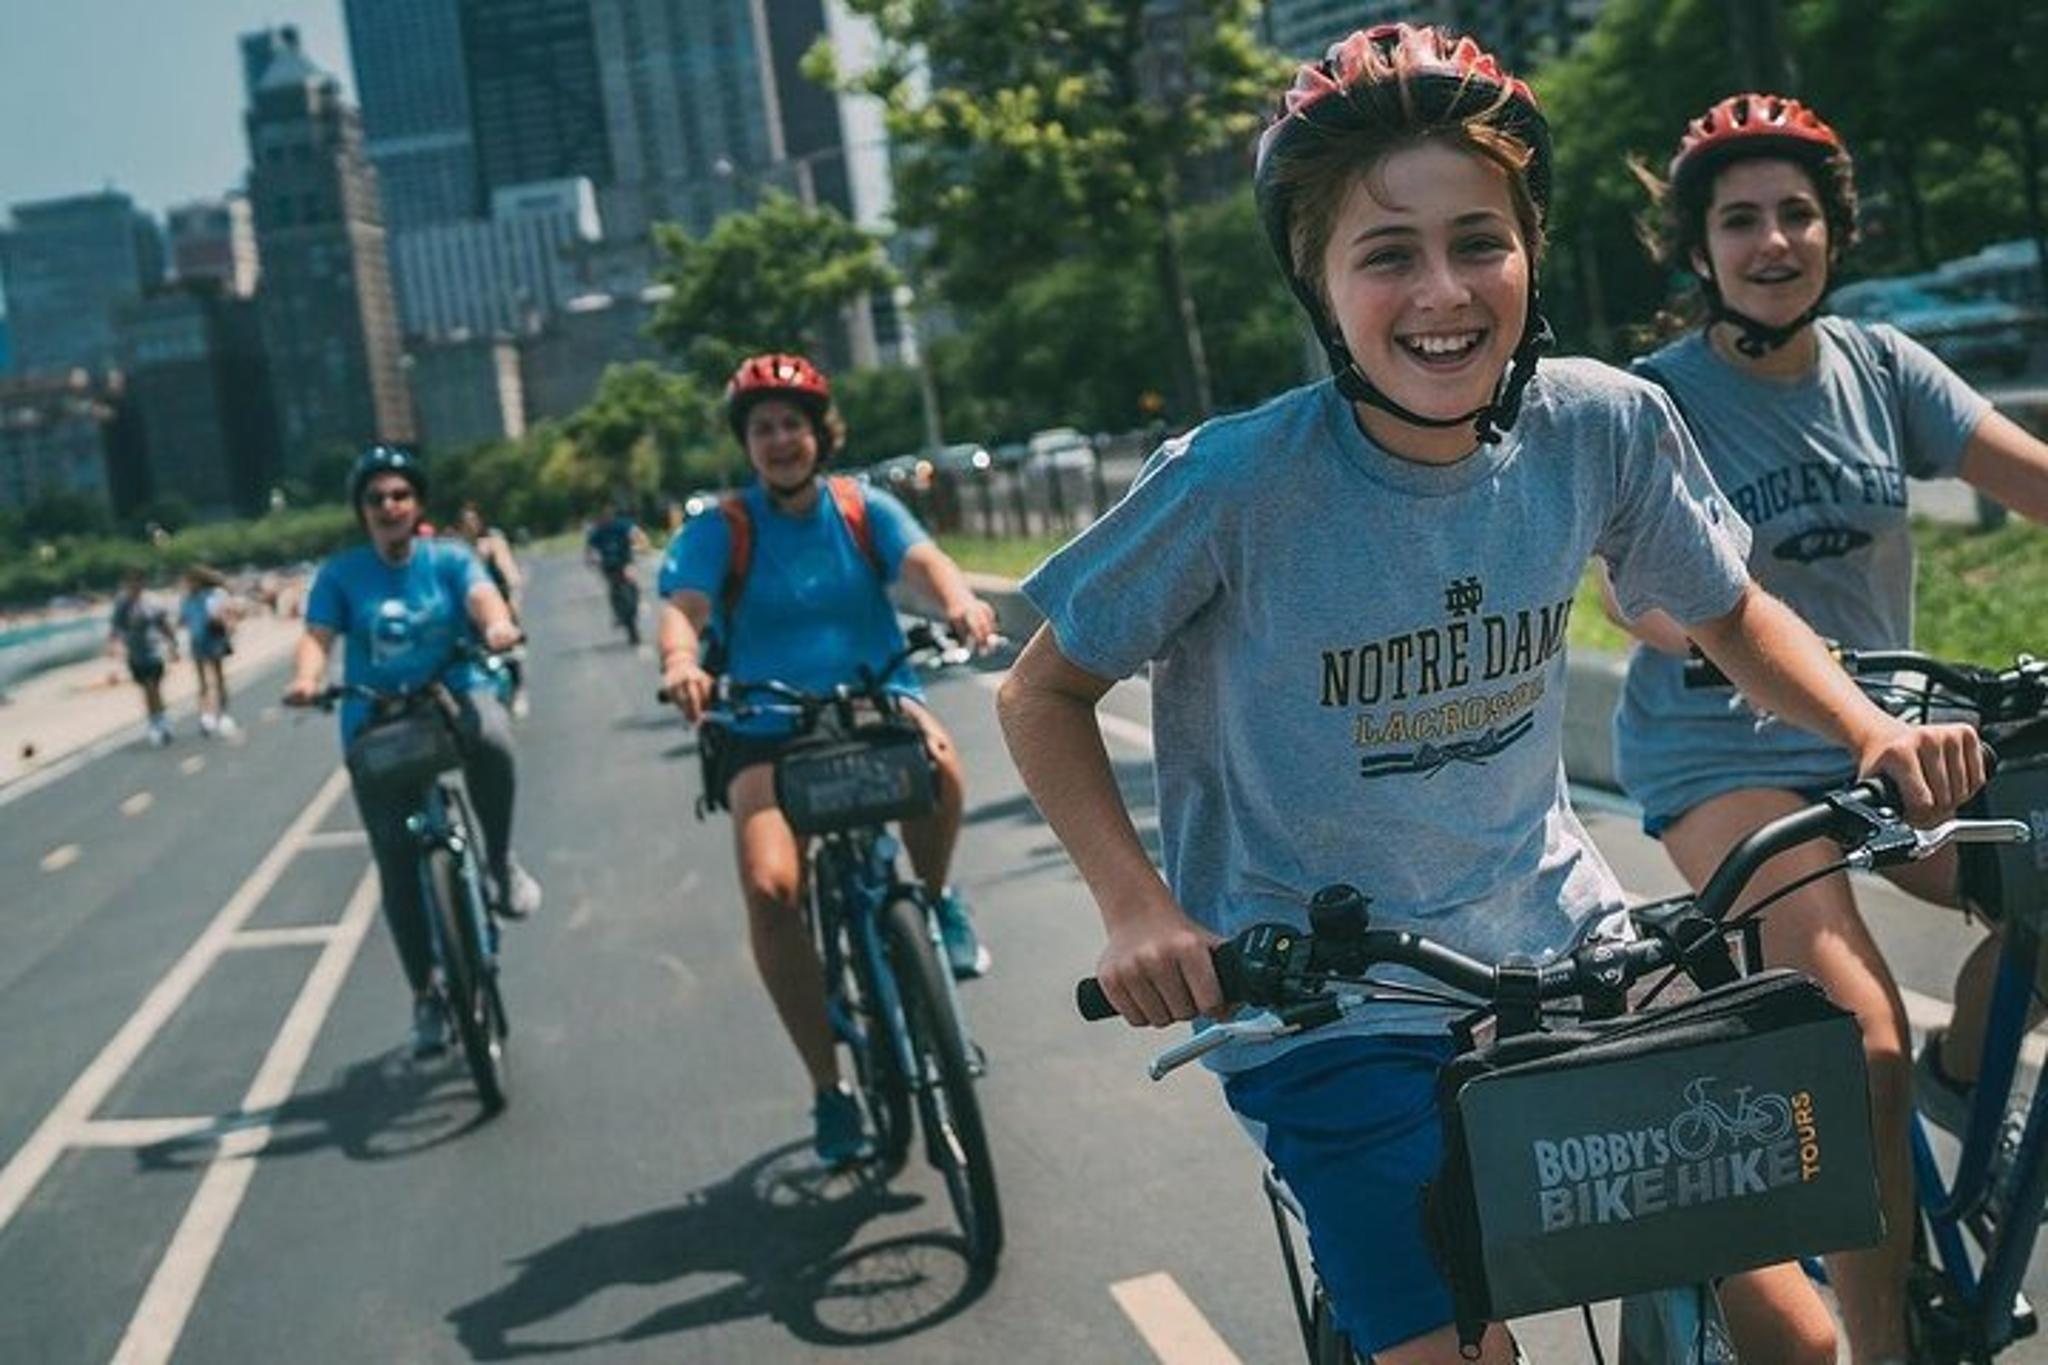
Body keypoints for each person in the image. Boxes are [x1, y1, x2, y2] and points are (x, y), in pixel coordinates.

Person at [993, 26, 1987, 1365]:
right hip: (1326, 1006)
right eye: (1387, 254)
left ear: (1531, 250)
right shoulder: (1234, 483)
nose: (1442, 291)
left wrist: (1868, 730)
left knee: (1803, 1343)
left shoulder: (1602, 423)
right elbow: (1040, 692)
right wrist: (1137, 906)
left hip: (1568, 946)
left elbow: (1732, 612)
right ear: (1317, 280)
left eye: (1480, 240)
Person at [1605, 93, 2048, 1365]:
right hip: (1726, 757)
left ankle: (1965, 1069)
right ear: (1697, 251)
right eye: (1737, 219)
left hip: (1891, 742)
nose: (1771, 241)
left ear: (1831, 231)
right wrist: (1718, 638)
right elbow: (1635, 598)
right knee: (1855, 1043)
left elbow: (2027, 475)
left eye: (1794, 213)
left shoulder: (1878, 368)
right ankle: (1882, 1350)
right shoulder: (1654, 402)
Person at [656, 351, 999, 1165]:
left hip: (873, 698)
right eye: (763, 428)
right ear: (747, 443)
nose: (780, 440)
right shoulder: (721, 529)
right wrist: (680, 661)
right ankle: (828, 1087)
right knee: (772, 888)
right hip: (764, 724)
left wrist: (960, 605)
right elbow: (684, 607)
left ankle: (939, 901)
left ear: (820, 433)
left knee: (942, 765)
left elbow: (923, 563)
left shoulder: (860, 509)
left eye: (793, 425)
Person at [284, 446, 543, 1058]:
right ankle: (427, 995)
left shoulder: (448, 560)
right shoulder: (341, 576)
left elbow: (483, 598)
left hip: (453, 694)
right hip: (376, 716)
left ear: (417, 504)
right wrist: (307, 679)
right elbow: (317, 638)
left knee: (494, 740)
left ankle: (500, 866)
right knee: (396, 863)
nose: (389, 507)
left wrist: (498, 628)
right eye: (376, 499)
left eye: (399, 495)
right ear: (362, 512)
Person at [456, 502, 528, 715]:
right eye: (465, 522)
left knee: (508, 649)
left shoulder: (493, 541)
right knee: (476, 652)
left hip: (499, 602)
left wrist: (513, 599)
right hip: (471, 609)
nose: (470, 525)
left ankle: (518, 689)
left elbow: (508, 569)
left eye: (473, 520)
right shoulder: (458, 549)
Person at [109, 570, 180, 747]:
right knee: (146, 688)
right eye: (130, 582)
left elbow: (164, 624)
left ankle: (159, 722)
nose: (133, 586)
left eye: (136, 582)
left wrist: (173, 645)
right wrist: (114, 645)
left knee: (153, 686)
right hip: (135, 653)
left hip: (154, 650)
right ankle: (156, 719)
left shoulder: (152, 601)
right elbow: (116, 627)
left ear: (142, 582)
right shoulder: (122, 604)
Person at [179, 565, 240, 738]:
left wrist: (223, 618)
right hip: (197, 643)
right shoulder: (188, 599)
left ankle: (223, 714)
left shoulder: (214, 594)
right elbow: (183, 621)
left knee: (218, 678)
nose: (189, 584)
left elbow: (225, 614)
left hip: (214, 641)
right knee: (202, 682)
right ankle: (207, 716)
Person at [585, 499, 648, 643]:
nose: (605, 517)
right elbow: (590, 548)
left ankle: (638, 602)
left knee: (632, 579)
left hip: (625, 562)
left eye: (607, 514)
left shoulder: (621, 525)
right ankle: (618, 613)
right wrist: (591, 559)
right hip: (609, 565)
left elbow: (636, 534)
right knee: (613, 588)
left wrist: (640, 546)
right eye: (602, 515)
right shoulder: (598, 531)